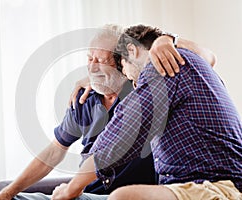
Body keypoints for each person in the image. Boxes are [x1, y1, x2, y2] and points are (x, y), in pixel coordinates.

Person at [0, 24, 186, 200]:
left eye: (101, 60)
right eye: (89, 58)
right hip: (87, 193)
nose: (92, 67)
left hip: (128, 195)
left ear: (121, 62)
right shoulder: (84, 99)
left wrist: (166, 40)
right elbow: (55, 151)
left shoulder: (144, 91)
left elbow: (203, 57)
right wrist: (8, 192)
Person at [52, 24, 242, 200]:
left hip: (216, 186)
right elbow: (211, 57)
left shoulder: (160, 68)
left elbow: (117, 139)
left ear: (132, 51)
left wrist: (70, 189)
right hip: (197, 184)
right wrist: (168, 39)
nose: (133, 83)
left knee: (123, 197)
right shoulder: (188, 59)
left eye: (124, 69)